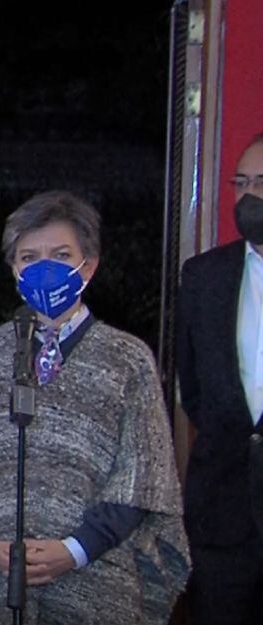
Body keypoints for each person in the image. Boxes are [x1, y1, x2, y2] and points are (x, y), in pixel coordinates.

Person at [0, 190, 190, 624]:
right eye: (29, 257)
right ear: (13, 269)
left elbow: (143, 476)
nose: (44, 268)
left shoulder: (127, 358)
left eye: (61, 255)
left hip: (96, 583)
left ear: (89, 265)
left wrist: (75, 550)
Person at [178, 133, 263, 624]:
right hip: (222, 520)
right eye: (241, 182)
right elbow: (194, 388)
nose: (249, 196)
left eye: (261, 182)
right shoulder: (204, 277)